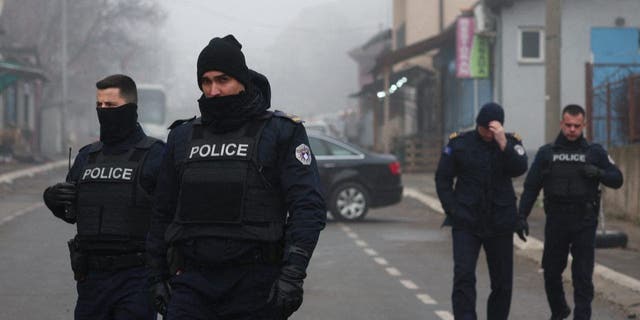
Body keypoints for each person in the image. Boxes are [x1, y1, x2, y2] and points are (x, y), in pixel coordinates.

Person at [146, 34, 326, 319]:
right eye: (206, 82)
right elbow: (161, 212)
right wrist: (155, 277)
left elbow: (308, 206)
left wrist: (293, 273)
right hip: (191, 283)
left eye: (222, 80)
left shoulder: (280, 131)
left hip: (255, 284)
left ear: (242, 81)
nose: (213, 90)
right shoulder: (182, 137)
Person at [42, 74, 165, 319]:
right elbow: (72, 211)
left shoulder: (155, 155)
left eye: (111, 106)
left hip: (136, 278)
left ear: (130, 108)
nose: (103, 111)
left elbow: (170, 215)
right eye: (99, 105)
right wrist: (52, 199)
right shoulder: (87, 156)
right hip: (92, 281)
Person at [517, 104, 623, 320]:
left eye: (577, 125)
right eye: (568, 125)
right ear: (561, 124)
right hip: (556, 221)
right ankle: (559, 311)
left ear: (584, 125)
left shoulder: (595, 152)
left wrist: (599, 173)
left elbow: (617, 179)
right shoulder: (547, 153)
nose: (572, 130)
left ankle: (582, 317)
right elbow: (531, 187)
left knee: (582, 276)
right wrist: (521, 216)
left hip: (584, 221)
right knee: (551, 273)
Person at [435, 102, 528, 320]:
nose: (489, 133)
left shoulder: (510, 143)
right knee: (464, 276)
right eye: (485, 129)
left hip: (500, 222)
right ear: (478, 125)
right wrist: (452, 208)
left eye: (493, 129)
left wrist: (503, 143)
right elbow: (443, 178)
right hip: (466, 221)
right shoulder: (459, 144)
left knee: (503, 282)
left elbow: (520, 168)